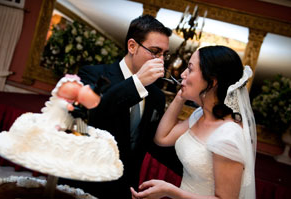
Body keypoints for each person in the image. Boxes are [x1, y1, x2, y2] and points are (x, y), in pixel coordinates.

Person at [58, 14, 182, 198]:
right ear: (132, 46)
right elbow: (88, 119)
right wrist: (137, 82)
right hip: (83, 180)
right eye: (155, 51)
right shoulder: (93, 75)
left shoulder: (156, 95)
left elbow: (150, 142)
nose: (161, 60)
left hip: (123, 187)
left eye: (164, 54)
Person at [131, 45, 257, 199]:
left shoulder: (228, 136)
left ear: (212, 80)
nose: (183, 74)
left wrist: (170, 191)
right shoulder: (200, 115)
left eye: (190, 69)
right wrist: (181, 96)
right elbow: (162, 138)